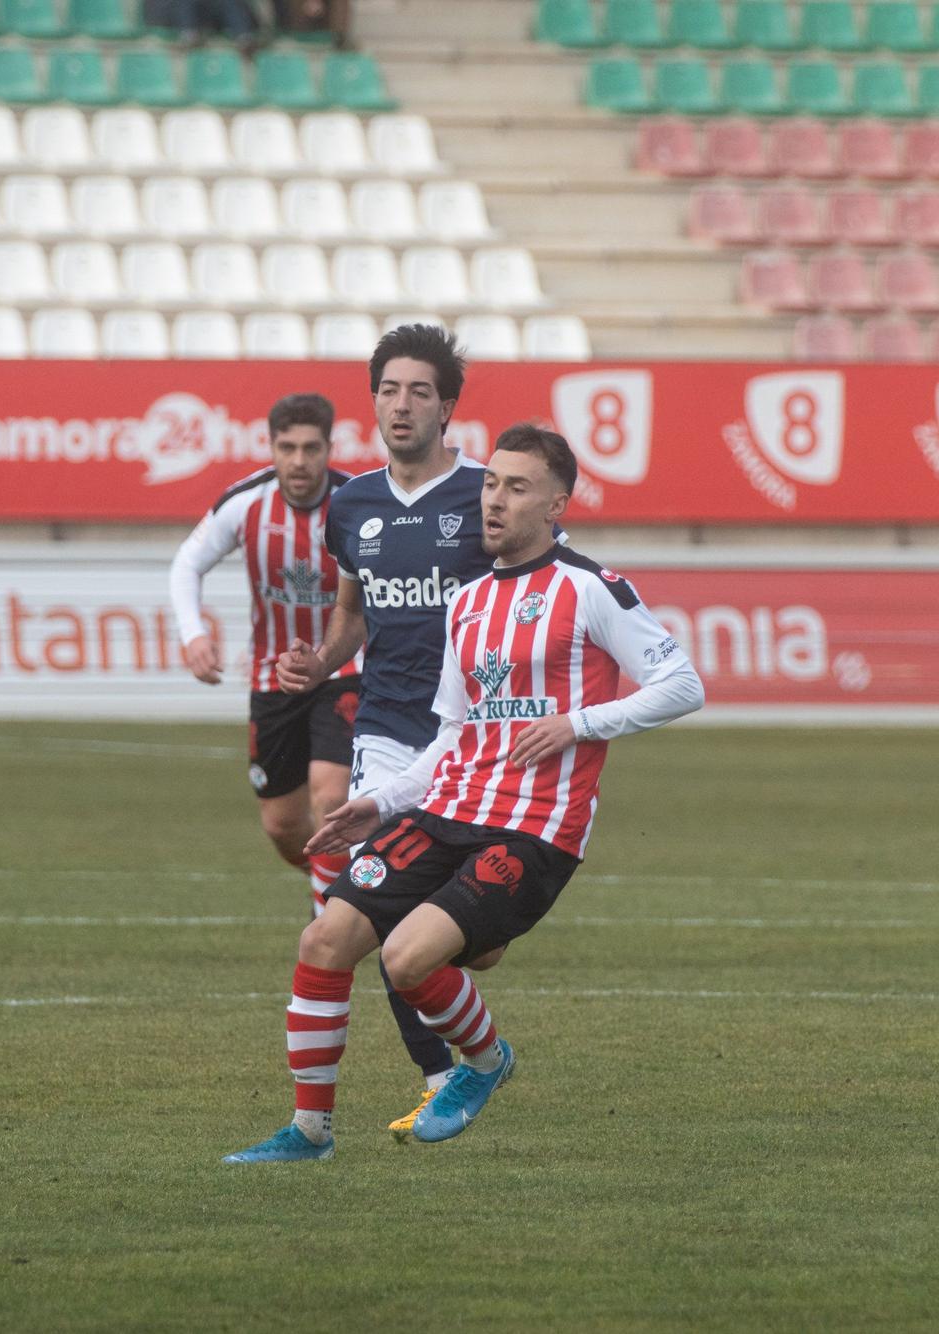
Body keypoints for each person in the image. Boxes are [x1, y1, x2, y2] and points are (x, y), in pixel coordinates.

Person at [225, 423, 704, 1162]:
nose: (495, 500)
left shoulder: (591, 589)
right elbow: (453, 736)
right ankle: (309, 1134)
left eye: (517, 488)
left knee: (407, 959)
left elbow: (682, 684)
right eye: (490, 484)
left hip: (533, 828)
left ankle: (485, 1062)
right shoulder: (469, 601)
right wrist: (378, 805)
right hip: (447, 808)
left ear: (557, 505)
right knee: (325, 938)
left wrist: (575, 724)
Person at [274, 324, 497, 1140]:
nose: (401, 407)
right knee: (373, 915)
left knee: (474, 949)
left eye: (419, 392)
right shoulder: (352, 505)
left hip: (476, 741)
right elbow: (351, 613)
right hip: (388, 732)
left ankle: (463, 1049)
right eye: (389, 391)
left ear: (447, 407)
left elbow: (549, 580)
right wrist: (321, 659)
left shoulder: (486, 496)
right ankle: (440, 1076)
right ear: (373, 402)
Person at [170, 393, 358, 915]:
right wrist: (193, 634)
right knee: (282, 826)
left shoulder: (358, 503)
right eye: (288, 447)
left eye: (311, 448)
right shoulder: (246, 503)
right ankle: (343, 885)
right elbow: (187, 564)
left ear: (329, 448)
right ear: (272, 448)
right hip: (272, 676)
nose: (300, 460)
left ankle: (331, 931)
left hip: (344, 668)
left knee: (331, 797)